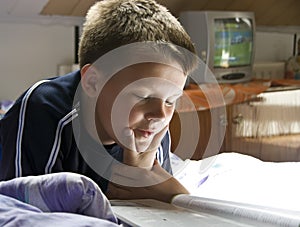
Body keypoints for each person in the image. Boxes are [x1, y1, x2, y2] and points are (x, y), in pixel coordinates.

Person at [0, 0, 197, 203]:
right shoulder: (43, 109)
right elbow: (23, 212)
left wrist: (175, 196)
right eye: (144, 97)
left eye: (171, 101)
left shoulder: (151, 127)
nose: (161, 115)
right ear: (93, 82)